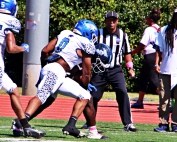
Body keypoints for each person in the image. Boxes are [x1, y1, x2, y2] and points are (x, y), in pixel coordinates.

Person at [11, 19, 110, 139]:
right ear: (88, 32)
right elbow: (86, 72)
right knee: (42, 96)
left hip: (59, 72)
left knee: (85, 96)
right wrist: (85, 82)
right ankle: (21, 122)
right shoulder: (86, 43)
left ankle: (72, 126)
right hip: (56, 71)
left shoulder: (65, 33)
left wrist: (45, 67)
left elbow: (45, 51)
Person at [82, 11, 137, 132]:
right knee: (93, 96)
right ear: (105, 21)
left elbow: (127, 53)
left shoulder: (122, 35)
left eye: (114, 20)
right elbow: (90, 51)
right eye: (109, 20)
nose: (111, 23)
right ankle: (90, 121)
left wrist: (130, 68)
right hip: (99, 70)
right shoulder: (98, 34)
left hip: (116, 70)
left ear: (117, 21)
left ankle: (128, 123)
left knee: (123, 93)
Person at [0, 0, 45, 138]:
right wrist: (23, 48)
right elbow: (11, 48)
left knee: (13, 90)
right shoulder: (10, 21)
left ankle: (25, 126)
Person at [131, 8, 161, 109]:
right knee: (143, 78)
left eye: (147, 18)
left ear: (151, 20)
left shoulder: (148, 30)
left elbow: (142, 45)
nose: (146, 20)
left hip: (150, 56)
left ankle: (166, 101)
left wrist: (132, 52)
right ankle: (139, 101)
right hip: (158, 55)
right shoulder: (160, 29)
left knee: (154, 80)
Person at [154, 8, 177, 132]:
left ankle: (175, 123)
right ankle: (163, 123)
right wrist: (156, 64)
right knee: (164, 98)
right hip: (166, 69)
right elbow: (159, 48)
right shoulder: (164, 30)